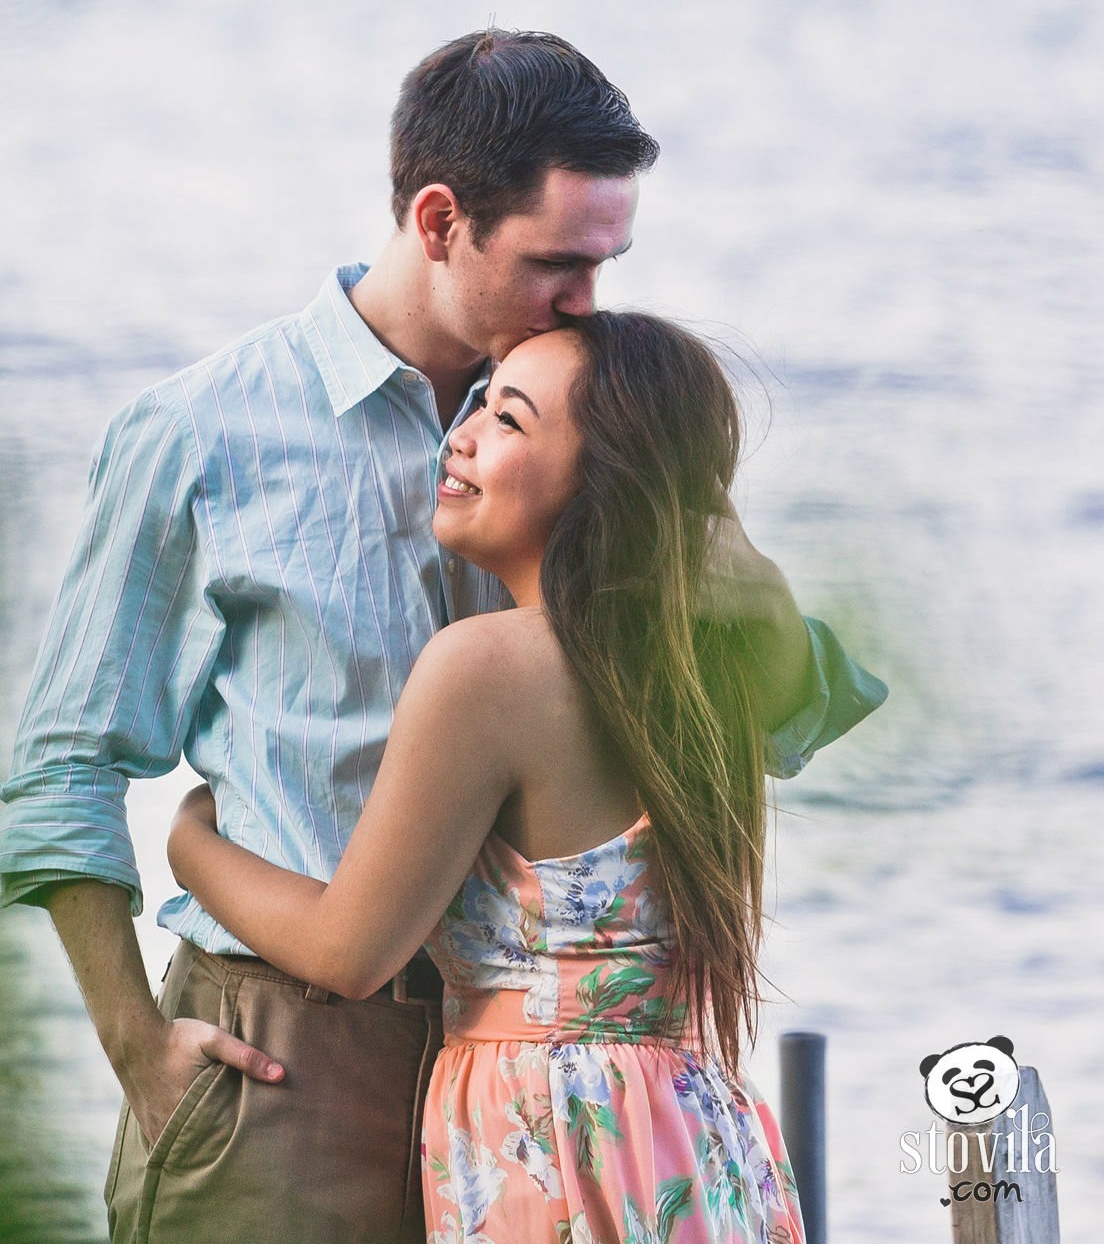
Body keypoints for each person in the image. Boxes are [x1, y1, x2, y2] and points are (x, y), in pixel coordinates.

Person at [0, 29, 884, 1244]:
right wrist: (139, 1048)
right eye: (558, 263)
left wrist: (738, 573)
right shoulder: (200, 433)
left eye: (607, 262)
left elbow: (770, 719)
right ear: (442, 219)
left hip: (542, 1080)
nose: (587, 301)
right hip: (287, 1058)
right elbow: (64, 768)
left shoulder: (590, 418)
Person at [168, 311, 844, 1242]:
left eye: (510, 421)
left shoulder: (485, 667)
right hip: (699, 1142)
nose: (464, 434)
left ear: (602, 488)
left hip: (558, 1148)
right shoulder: (706, 672)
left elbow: (347, 951)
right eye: (479, 401)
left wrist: (188, 841)